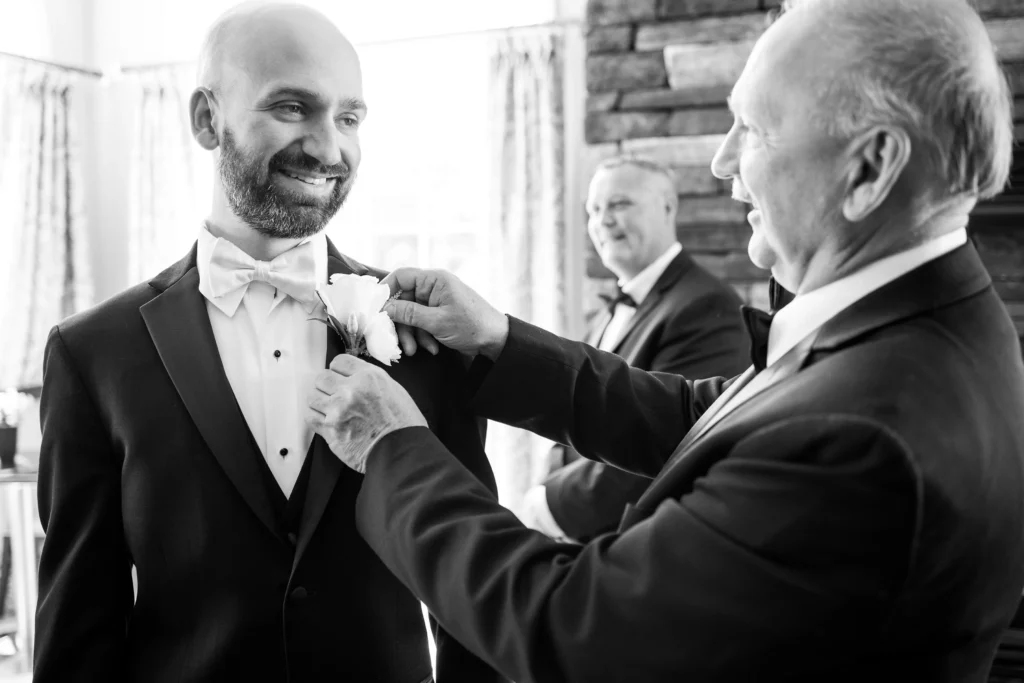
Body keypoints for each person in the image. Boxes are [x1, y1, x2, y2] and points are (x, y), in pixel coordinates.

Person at [305, 0, 1024, 681]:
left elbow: (575, 630)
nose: (721, 161)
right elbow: (706, 418)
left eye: (755, 128)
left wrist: (390, 446)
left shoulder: (866, 439)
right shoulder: (922, 323)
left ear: (869, 168)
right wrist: (499, 341)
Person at [34, 3, 502, 682]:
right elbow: (80, 622)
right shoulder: (93, 353)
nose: (329, 148)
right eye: (292, 107)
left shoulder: (425, 329)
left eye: (348, 117)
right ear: (206, 119)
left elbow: (469, 588)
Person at [521, 155, 749, 543]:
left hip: (642, 548)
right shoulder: (606, 314)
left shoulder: (706, 305)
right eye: (594, 210)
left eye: (619, 204)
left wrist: (545, 507)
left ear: (667, 207)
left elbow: (677, 442)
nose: (603, 221)